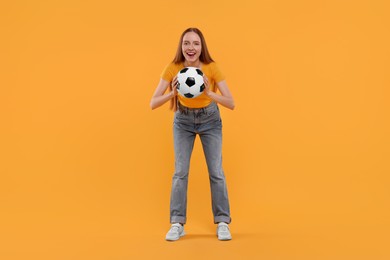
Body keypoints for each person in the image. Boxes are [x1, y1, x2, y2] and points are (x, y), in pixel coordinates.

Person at [150, 28, 235, 241]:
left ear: (201, 47)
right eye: (186, 43)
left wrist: (208, 93)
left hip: (210, 121)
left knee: (216, 171)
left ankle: (223, 221)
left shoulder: (211, 68)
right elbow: (153, 102)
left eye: (195, 43)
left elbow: (231, 103)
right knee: (180, 172)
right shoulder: (173, 68)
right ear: (181, 46)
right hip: (183, 121)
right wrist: (172, 92)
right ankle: (177, 223)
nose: (191, 48)